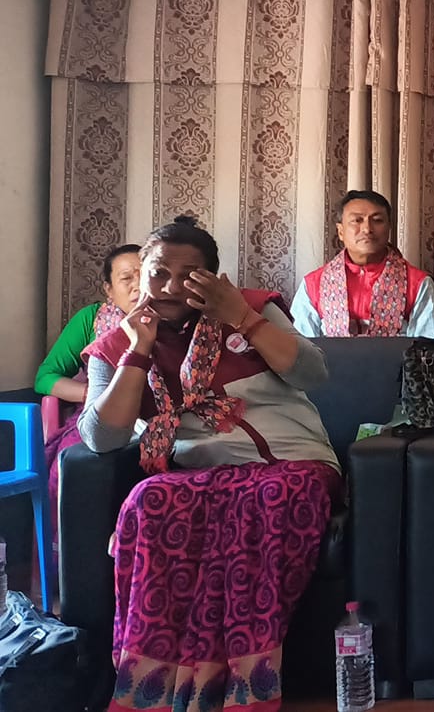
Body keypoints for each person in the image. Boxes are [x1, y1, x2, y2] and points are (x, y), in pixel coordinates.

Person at [77, 216, 339, 712]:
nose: (170, 287)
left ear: (212, 279)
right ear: (141, 273)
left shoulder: (254, 308)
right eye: (158, 273)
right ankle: (153, 688)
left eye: (188, 275)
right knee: (148, 499)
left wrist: (242, 317)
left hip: (289, 465)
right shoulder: (113, 346)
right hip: (199, 475)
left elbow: (314, 373)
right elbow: (101, 438)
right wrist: (139, 352)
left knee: (271, 495)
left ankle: (245, 686)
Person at [36, 243, 140, 500]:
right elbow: (46, 378)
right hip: (100, 416)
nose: (138, 285)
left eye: (146, 275)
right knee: (77, 465)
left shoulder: (173, 320)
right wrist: (96, 393)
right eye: (127, 278)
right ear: (109, 289)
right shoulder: (91, 320)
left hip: (158, 418)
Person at [290, 189, 434, 339]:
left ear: (389, 228)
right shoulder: (313, 284)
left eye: (377, 220)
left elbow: (427, 348)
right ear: (341, 231)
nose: (367, 229)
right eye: (357, 220)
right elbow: (300, 348)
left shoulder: (418, 283)